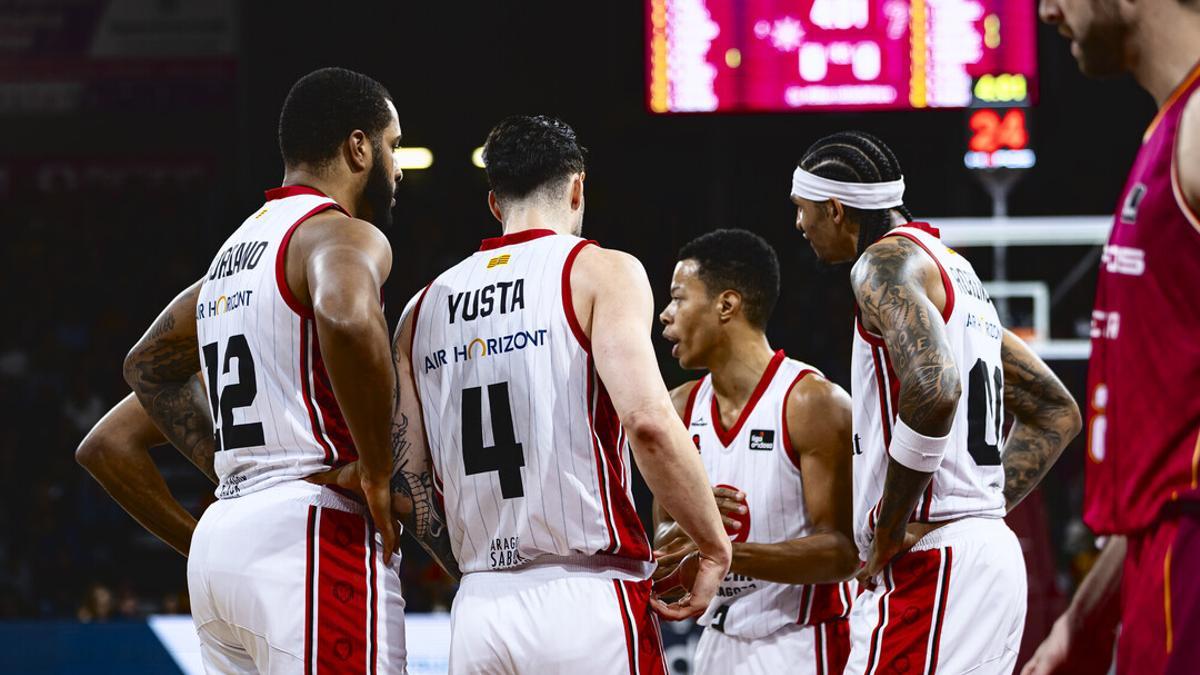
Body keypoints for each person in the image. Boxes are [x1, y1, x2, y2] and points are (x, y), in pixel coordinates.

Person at [122, 67, 427, 673]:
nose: (397, 167)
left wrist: (234, 467)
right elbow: (344, 315)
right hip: (311, 534)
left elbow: (146, 366)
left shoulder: (229, 260)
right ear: (358, 146)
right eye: (393, 146)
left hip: (225, 541)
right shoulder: (337, 234)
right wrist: (375, 468)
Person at [405, 114, 731, 673]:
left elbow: (408, 480)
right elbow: (649, 423)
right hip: (586, 596)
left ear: (494, 202)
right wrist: (713, 543)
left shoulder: (420, 308)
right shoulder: (601, 271)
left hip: (479, 604)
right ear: (578, 186)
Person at [790, 131, 1081, 675]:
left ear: (834, 208)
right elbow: (1055, 411)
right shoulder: (956, 274)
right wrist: (977, 510)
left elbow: (934, 387)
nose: (799, 226)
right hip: (984, 554)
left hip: (934, 566)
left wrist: (891, 525)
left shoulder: (880, 264)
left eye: (801, 210)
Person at [1026, 2, 1200, 673]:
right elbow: (1169, 470)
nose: (1045, 11)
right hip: (1157, 563)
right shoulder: (1170, 128)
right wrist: (1084, 619)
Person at [652, 228, 858, 674]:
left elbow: (844, 553)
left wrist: (721, 550)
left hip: (804, 641)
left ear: (726, 305)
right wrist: (681, 545)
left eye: (678, 298)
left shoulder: (812, 403)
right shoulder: (679, 408)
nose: (665, 316)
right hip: (716, 643)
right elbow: (666, 556)